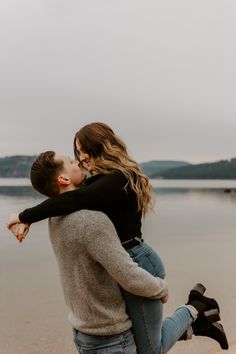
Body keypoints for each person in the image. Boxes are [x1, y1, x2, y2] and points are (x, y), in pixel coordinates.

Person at [7, 123, 228, 352]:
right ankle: (199, 324)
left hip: (137, 259)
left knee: (150, 349)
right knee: (144, 342)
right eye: (76, 153)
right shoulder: (97, 182)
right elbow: (66, 199)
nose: (80, 158)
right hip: (122, 260)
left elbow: (74, 199)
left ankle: (195, 308)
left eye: (83, 151)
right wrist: (28, 218)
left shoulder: (118, 179)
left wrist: (24, 216)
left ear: (99, 146)